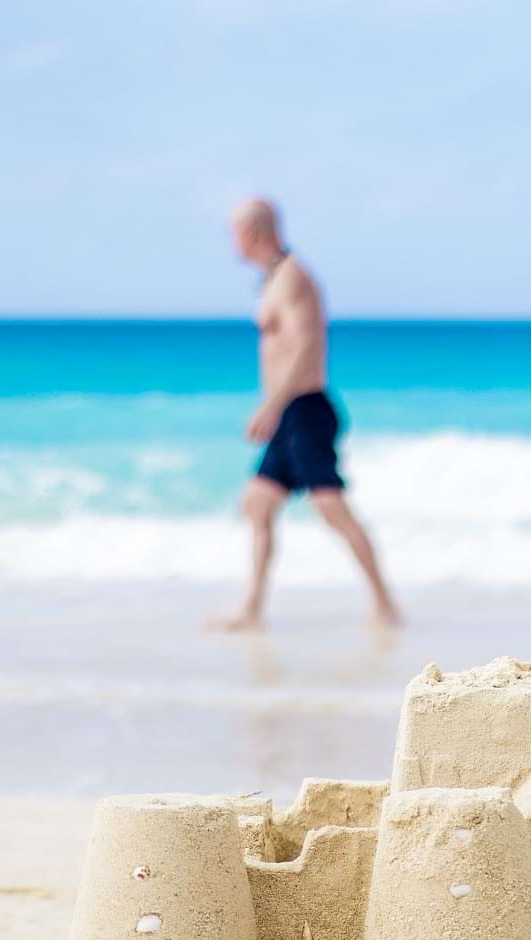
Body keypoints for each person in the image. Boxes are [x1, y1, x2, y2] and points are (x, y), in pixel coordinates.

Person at [210, 198, 401, 630]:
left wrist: (272, 406)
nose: (231, 244)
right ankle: (252, 610)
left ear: (253, 232)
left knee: (332, 509)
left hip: (304, 411)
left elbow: (306, 346)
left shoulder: (294, 277)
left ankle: (386, 605)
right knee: (258, 504)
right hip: (288, 415)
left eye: (233, 234)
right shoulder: (272, 278)